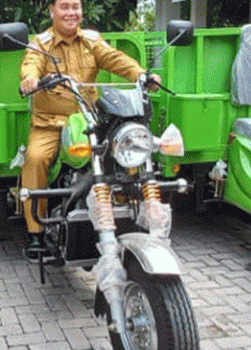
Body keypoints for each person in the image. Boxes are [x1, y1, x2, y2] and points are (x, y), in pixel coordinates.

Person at [19, 0, 161, 259]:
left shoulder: (91, 41)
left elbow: (115, 59)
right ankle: (35, 233)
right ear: (52, 11)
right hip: (50, 123)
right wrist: (31, 79)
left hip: (89, 121)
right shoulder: (40, 43)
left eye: (76, 7)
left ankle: (130, 217)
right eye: (65, 7)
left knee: (126, 153)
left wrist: (141, 75)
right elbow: (31, 63)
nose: (71, 12)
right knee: (35, 159)